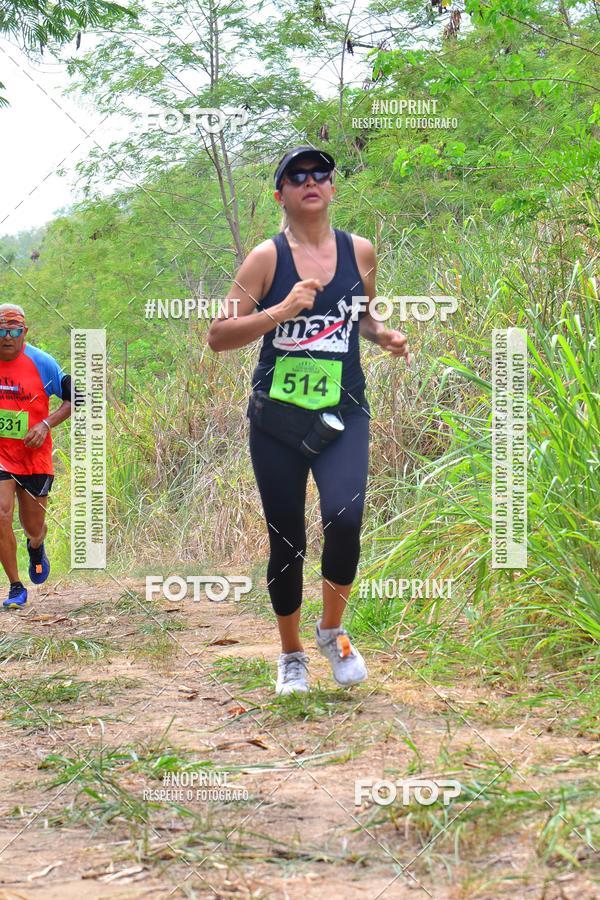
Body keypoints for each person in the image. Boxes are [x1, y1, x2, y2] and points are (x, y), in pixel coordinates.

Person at [207, 146, 410, 694]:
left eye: (320, 173)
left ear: (332, 188)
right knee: (287, 538)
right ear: (281, 195)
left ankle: (333, 632)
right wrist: (281, 310)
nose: (310, 181)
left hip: (343, 411)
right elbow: (218, 336)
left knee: (345, 518)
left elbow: (363, 317)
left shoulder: (359, 251)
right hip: (278, 421)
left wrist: (383, 335)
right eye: (297, 177)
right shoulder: (266, 259)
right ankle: (291, 654)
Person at [0, 304, 72, 609]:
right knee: (1, 514)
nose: (7, 337)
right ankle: (15, 586)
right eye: (1, 331)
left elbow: (75, 397)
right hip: (2, 456)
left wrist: (45, 424)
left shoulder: (42, 363)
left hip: (33, 457)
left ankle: (36, 546)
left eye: (14, 331)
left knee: (34, 526)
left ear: (24, 332)